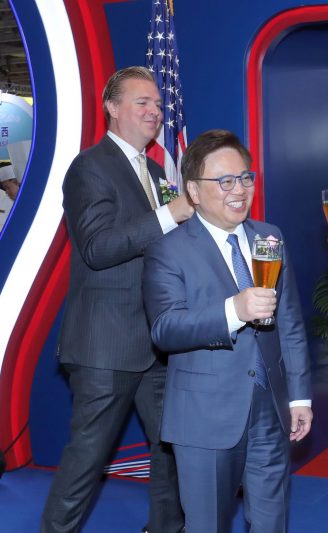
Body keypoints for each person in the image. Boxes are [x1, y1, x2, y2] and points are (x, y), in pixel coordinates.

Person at [41, 67, 192, 533]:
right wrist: (172, 213)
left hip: (157, 340)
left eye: (158, 104)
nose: (154, 112)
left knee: (171, 447)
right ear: (111, 107)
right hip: (105, 345)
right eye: (142, 102)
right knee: (87, 460)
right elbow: (98, 248)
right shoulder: (90, 167)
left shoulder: (155, 170)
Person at [142, 129, 312, 533]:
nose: (239, 190)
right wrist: (233, 311)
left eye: (245, 178)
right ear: (194, 192)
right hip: (205, 418)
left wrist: (299, 396)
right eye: (224, 181)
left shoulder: (269, 237)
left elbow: (289, 322)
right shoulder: (167, 251)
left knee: (272, 523)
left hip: (270, 411)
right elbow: (165, 329)